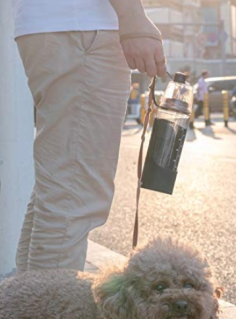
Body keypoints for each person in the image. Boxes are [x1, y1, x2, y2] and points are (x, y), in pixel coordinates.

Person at [12, 0, 167, 274]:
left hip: (63, 28)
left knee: (61, 188)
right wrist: (133, 17)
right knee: (73, 194)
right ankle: (49, 315)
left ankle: (25, 309)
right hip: (84, 29)